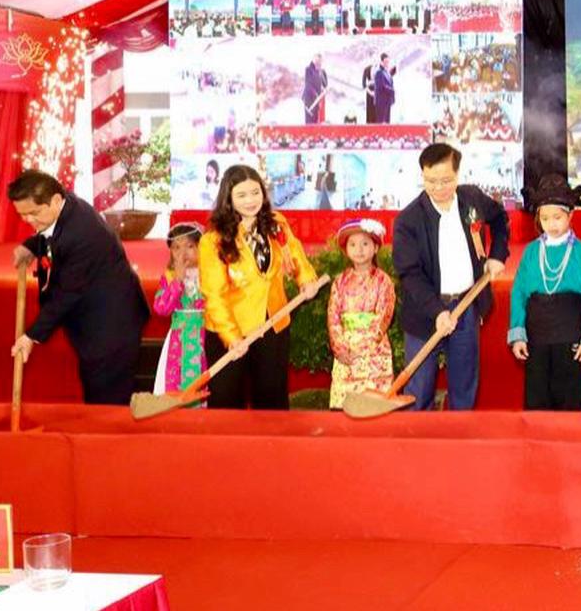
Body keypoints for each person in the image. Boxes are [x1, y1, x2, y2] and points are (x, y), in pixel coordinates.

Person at [7, 170, 148, 405]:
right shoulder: (64, 206)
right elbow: (50, 234)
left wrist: (31, 335)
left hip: (111, 324)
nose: (28, 221)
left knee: (107, 399)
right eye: (22, 215)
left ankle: (108, 428)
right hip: (95, 316)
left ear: (55, 200)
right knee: (97, 386)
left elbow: (66, 294)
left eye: (33, 213)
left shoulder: (82, 234)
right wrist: (31, 246)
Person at [392, 143, 509, 410]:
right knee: (418, 391)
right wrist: (437, 311)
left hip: (466, 306)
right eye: (430, 181)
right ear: (422, 176)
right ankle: (418, 432)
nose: (438, 188)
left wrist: (497, 255)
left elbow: (500, 218)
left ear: (457, 174)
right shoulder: (408, 220)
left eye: (445, 180)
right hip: (424, 312)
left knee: (464, 386)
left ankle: (460, 433)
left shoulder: (472, 199)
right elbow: (410, 274)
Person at [198, 165, 320, 409]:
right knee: (226, 402)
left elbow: (295, 253)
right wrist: (232, 337)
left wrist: (306, 280)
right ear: (228, 199)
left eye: (255, 193)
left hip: (273, 325)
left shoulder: (276, 224)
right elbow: (214, 296)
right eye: (241, 195)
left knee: (272, 400)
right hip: (230, 332)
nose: (250, 200)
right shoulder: (213, 240)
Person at [508, 175, 581, 411]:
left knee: (568, 396)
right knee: (537, 394)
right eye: (545, 218)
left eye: (557, 217)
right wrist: (518, 335)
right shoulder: (531, 252)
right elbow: (518, 293)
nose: (551, 224)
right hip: (537, 335)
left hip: (570, 333)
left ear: (570, 216)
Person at [327, 219, 396, 411]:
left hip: (374, 351)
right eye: (353, 244)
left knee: (375, 406)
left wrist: (364, 346)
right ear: (346, 250)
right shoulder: (340, 282)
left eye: (365, 244)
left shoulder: (383, 281)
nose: (359, 249)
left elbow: (384, 316)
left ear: (375, 247)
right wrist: (340, 347)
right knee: (345, 408)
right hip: (346, 350)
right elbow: (333, 317)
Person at [152, 222, 208, 400]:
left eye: (190, 246)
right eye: (176, 248)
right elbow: (161, 308)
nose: (183, 253)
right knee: (177, 386)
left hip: (206, 337)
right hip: (179, 340)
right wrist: (178, 280)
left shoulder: (211, 275)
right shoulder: (169, 278)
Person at [302, 53, 328, 124]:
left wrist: (323, 89)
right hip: (309, 99)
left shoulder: (322, 72)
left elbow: (325, 85)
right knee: (309, 121)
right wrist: (315, 94)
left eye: (320, 61)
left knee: (316, 120)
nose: (319, 62)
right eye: (317, 60)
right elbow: (308, 84)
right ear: (314, 60)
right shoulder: (308, 69)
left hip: (317, 100)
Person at [374, 52, 396, 124]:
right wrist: (392, 90)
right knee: (381, 123)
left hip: (387, 101)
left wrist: (392, 97)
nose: (387, 63)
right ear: (381, 61)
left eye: (388, 62)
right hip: (381, 102)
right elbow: (381, 86)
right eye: (385, 61)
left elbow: (390, 84)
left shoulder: (387, 73)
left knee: (387, 123)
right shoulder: (379, 72)